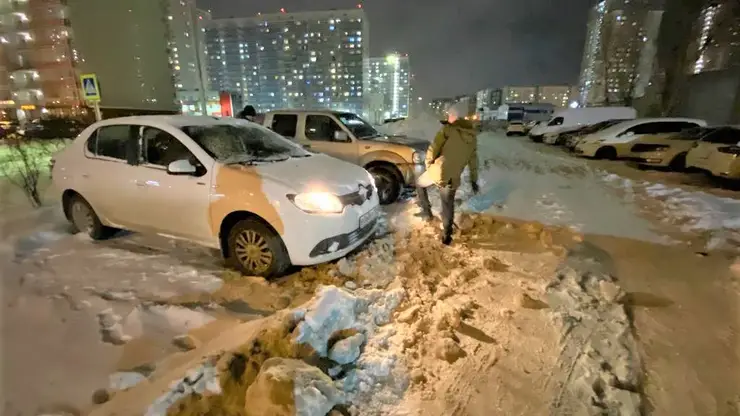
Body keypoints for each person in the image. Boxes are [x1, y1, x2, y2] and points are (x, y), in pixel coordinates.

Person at [417, 109, 479, 245]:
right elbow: (473, 162)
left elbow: (433, 148)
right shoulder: (473, 139)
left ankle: (427, 213)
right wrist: (474, 179)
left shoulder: (448, 130)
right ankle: (447, 235)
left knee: (419, 184)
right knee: (447, 205)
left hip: (438, 171)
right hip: (453, 177)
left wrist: (429, 165)